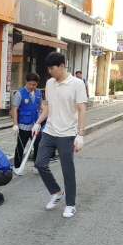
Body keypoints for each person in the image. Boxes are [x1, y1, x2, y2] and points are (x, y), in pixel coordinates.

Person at [33, 52, 87, 218]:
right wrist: (38, 122)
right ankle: (57, 192)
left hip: (67, 133)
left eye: (52, 68)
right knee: (40, 163)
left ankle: (70, 204)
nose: (50, 71)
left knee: (67, 170)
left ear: (62, 66)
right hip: (49, 131)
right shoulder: (50, 83)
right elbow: (49, 106)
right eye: (48, 68)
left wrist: (80, 133)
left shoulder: (77, 84)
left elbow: (81, 108)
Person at [12, 73, 47, 173]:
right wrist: (15, 124)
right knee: (20, 146)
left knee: (39, 144)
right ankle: (17, 166)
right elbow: (14, 109)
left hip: (35, 125)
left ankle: (37, 166)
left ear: (37, 84)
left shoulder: (38, 93)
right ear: (26, 82)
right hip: (23, 125)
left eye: (34, 85)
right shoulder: (19, 94)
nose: (31, 87)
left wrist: (47, 111)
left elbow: (40, 105)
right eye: (29, 84)